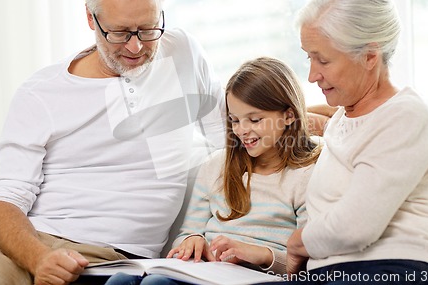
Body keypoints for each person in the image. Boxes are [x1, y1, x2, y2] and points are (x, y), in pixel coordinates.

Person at [0, 0, 225, 285]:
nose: (137, 47)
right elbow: (5, 202)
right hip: (28, 247)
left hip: (112, 261)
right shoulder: (42, 92)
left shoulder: (181, 52)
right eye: (120, 33)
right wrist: (39, 258)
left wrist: (304, 118)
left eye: (148, 29)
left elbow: (233, 128)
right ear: (91, 19)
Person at [278, 0, 428, 284]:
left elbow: (354, 226)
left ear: (369, 56)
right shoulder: (344, 116)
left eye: (323, 60)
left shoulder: (407, 116)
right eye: (308, 58)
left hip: (399, 270)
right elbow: (327, 126)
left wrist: (297, 243)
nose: (312, 75)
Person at [103, 56, 322, 285]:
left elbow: (309, 263)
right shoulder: (217, 166)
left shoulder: (308, 174)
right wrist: (192, 240)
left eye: (255, 120)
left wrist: (261, 255)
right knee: (121, 280)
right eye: (235, 120)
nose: (242, 131)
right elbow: (186, 234)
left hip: (259, 279)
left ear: (288, 115)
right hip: (206, 274)